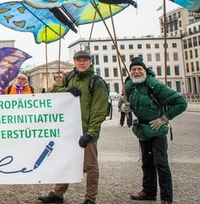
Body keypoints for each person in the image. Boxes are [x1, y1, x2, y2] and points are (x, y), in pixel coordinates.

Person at [38, 50, 109, 204]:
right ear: (75, 61)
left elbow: (99, 110)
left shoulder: (96, 81)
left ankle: (90, 198)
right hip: (69, 129)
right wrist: (67, 90)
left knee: (90, 165)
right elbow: (54, 91)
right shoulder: (69, 77)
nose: (82, 63)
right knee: (66, 161)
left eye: (85, 60)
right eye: (79, 60)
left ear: (90, 62)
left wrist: (90, 133)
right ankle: (58, 194)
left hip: (87, 130)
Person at [123, 57, 187, 204]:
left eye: (139, 69)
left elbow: (181, 102)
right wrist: (126, 108)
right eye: (133, 69)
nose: (136, 71)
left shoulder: (155, 86)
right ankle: (149, 191)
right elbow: (135, 104)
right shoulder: (131, 86)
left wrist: (164, 118)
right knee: (146, 162)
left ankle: (166, 197)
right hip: (142, 130)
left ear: (145, 71)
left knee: (161, 163)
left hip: (156, 129)